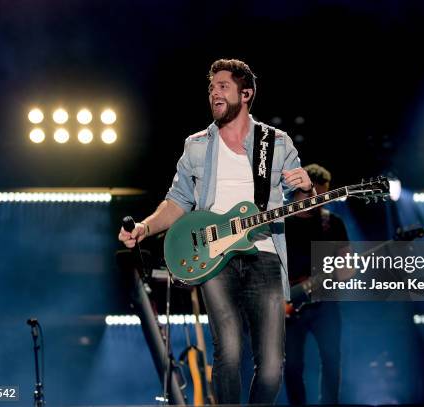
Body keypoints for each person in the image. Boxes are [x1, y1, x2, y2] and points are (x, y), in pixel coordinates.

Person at [118, 58, 313, 404]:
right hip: (213, 255)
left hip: (264, 253)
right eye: (211, 88)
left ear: (246, 93)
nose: (214, 93)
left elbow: (301, 203)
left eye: (223, 86)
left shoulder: (277, 142)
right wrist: (145, 228)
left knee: (271, 367)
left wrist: (306, 189)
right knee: (229, 352)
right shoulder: (196, 145)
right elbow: (177, 201)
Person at [283, 163, 349, 405]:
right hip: (289, 306)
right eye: (316, 193)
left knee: (332, 360)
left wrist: (343, 270)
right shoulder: (281, 222)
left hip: (326, 304)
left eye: (325, 194)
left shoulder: (333, 223)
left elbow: (347, 267)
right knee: (291, 366)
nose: (321, 200)